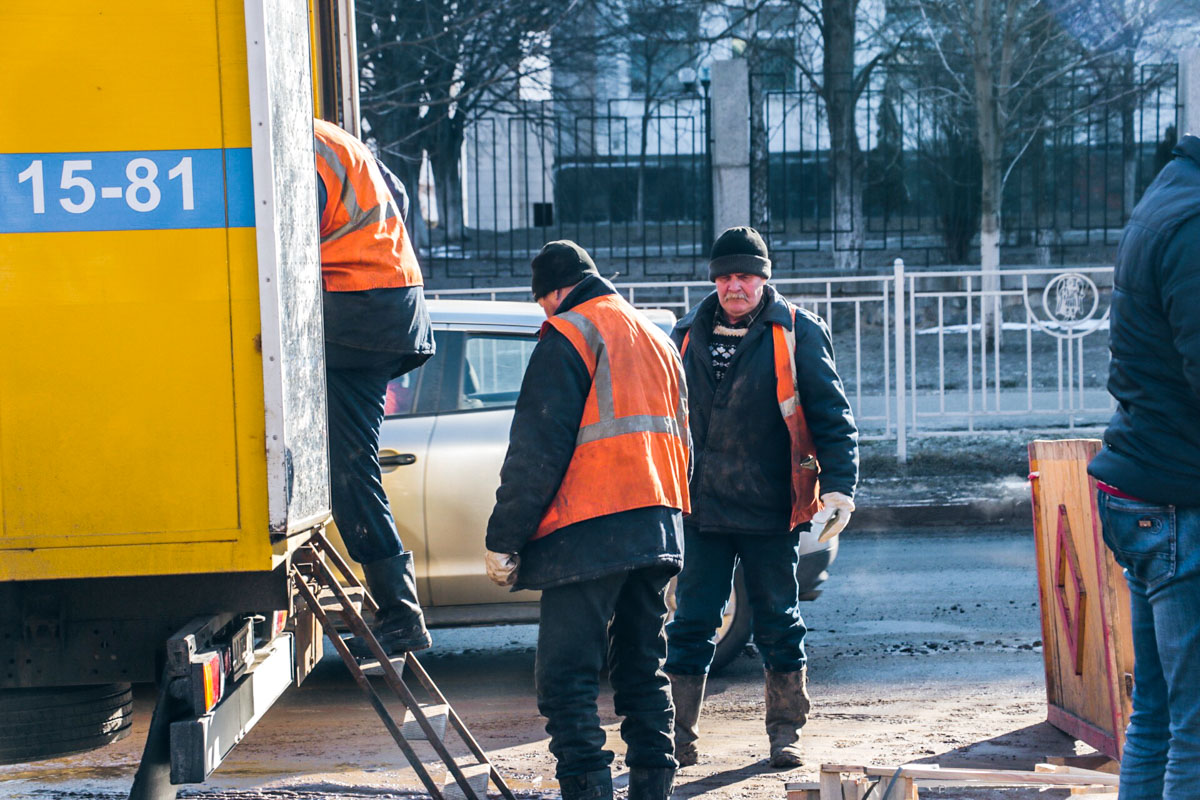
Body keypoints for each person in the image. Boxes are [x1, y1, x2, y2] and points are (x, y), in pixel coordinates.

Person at [484, 240, 690, 800]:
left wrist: (504, 538)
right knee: (641, 669)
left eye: (542, 304)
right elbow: (682, 440)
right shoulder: (656, 337)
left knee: (566, 679)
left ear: (552, 293)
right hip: (658, 527)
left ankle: (588, 788)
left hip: (589, 531)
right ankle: (653, 786)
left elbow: (536, 448)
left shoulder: (571, 331)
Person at [665, 226, 858, 768]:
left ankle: (785, 734)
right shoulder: (684, 334)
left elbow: (831, 416)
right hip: (703, 509)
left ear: (763, 279)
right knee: (692, 622)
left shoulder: (796, 331)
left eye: (745, 276)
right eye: (725, 277)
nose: (734, 286)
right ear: (714, 281)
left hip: (773, 508)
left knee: (778, 619)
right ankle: (678, 740)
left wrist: (840, 486)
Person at [1088, 133, 1200, 800]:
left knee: (1156, 719)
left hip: (1146, 489)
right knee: (1194, 729)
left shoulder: (1171, 192)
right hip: (1177, 500)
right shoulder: (1193, 221)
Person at [314, 117, 435, 656]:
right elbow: (400, 194)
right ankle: (401, 611)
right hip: (387, 304)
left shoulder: (289, 144)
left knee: (350, 470)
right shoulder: (333, 139)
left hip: (356, 308)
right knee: (350, 466)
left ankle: (401, 613)